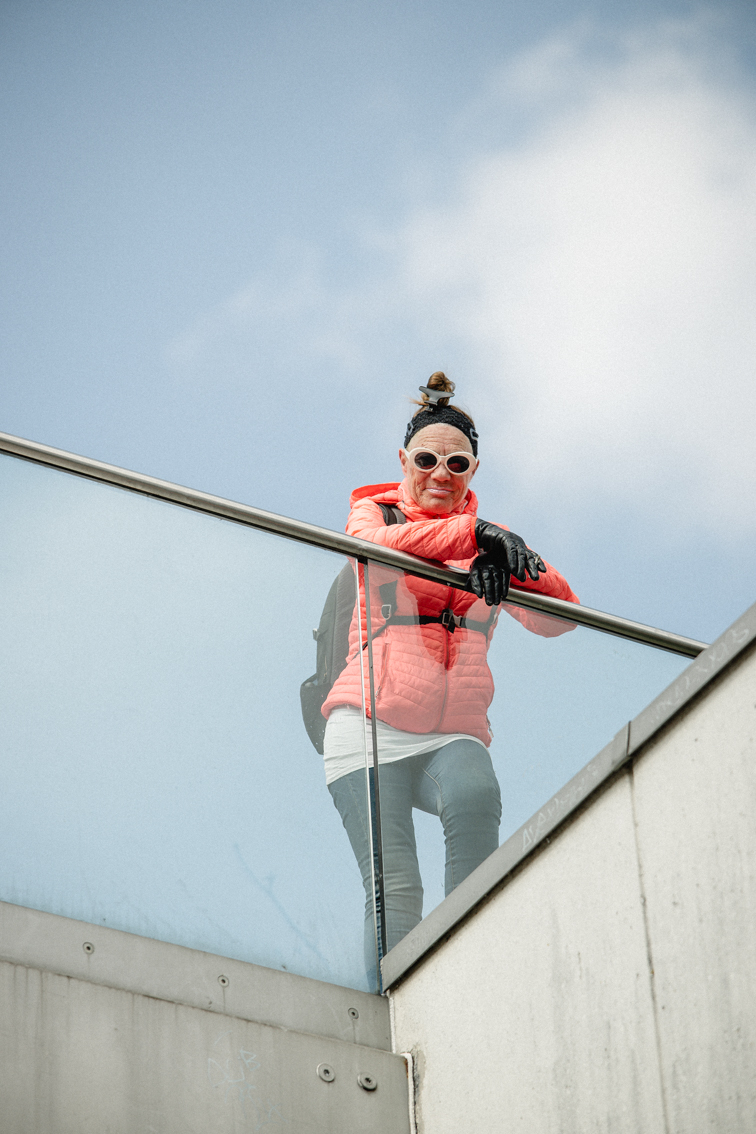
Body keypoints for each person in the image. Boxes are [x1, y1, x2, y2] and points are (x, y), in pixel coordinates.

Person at [322, 373, 579, 978]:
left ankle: (469, 980)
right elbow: (375, 547)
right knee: (394, 884)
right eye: (428, 459)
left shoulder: (484, 541)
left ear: (473, 470)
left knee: (475, 799)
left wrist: (503, 555)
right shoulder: (374, 513)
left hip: (452, 730)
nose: (441, 472)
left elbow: (559, 617)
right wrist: (474, 533)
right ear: (404, 461)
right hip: (369, 724)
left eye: (456, 462)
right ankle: (395, 1006)